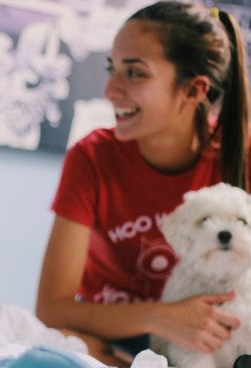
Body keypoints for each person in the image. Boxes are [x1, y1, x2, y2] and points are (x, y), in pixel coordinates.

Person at [35, 1, 249, 367]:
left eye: (134, 73)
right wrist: (162, 316)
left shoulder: (241, 155)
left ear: (194, 90)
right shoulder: (91, 158)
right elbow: (52, 307)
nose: (110, 90)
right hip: (113, 338)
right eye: (112, 69)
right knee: (59, 349)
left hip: (216, 339)